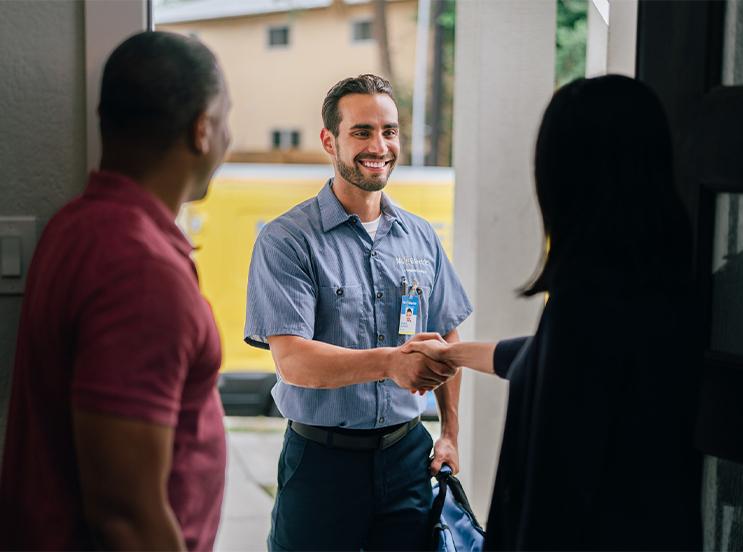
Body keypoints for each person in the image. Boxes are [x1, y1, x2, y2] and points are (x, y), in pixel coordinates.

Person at [404, 75, 702, 549]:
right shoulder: (670, 290)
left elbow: (553, 498)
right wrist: (454, 355)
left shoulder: (586, 302)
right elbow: (538, 359)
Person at [0, 31, 231, 551]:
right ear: (201, 130)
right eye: (226, 119)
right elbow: (125, 516)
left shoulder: (78, 224)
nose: (228, 138)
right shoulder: (140, 271)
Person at [244, 74, 472, 550]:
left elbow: (448, 336)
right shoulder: (288, 240)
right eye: (362, 132)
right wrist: (390, 361)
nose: (379, 146)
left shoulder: (421, 236)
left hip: (408, 456)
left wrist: (449, 432)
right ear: (330, 140)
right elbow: (294, 361)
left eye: (389, 131)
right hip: (321, 462)